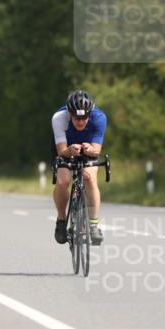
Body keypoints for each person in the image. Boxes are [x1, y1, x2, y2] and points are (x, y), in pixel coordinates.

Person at [52, 89, 107, 245]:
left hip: (88, 146)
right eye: (77, 118)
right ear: (70, 114)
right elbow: (61, 151)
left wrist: (90, 150)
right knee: (63, 181)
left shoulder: (100, 118)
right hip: (65, 147)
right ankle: (62, 220)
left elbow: (97, 150)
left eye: (84, 118)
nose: (81, 122)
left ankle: (94, 225)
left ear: (90, 114)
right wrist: (69, 150)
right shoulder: (59, 118)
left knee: (89, 178)